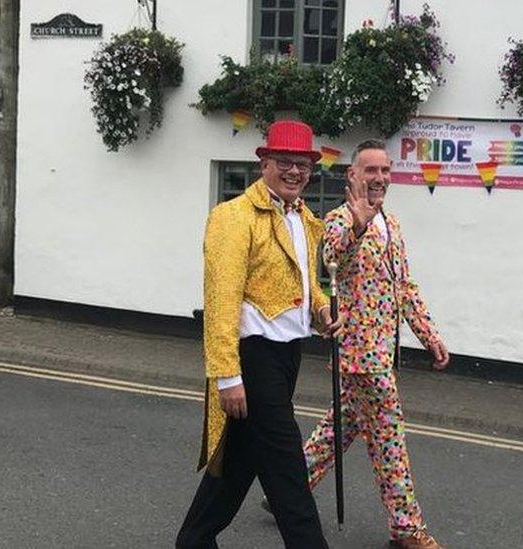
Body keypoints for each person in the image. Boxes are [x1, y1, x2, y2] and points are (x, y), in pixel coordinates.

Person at [176, 120, 342, 549]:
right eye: (285, 162)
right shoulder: (232, 218)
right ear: (264, 164)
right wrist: (227, 376)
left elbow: (306, 284)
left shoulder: (305, 218)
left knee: (240, 459)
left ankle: (193, 541)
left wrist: (321, 311)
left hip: (288, 355)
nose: (295, 172)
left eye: (303, 165)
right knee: (288, 469)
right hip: (252, 358)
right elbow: (221, 301)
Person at [294, 139, 451, 549]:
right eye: (370, 170)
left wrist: (428, 334)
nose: (378, 178)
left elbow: (404, 287)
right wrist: (358, 225)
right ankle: (406, 529)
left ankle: (288, 491)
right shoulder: (339, 220)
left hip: (384, 351)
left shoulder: (393, 224)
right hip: (361, 357)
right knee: (388, 438)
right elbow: (329, 264)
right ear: (353, 175)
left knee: (337, 430)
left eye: (384, 171)